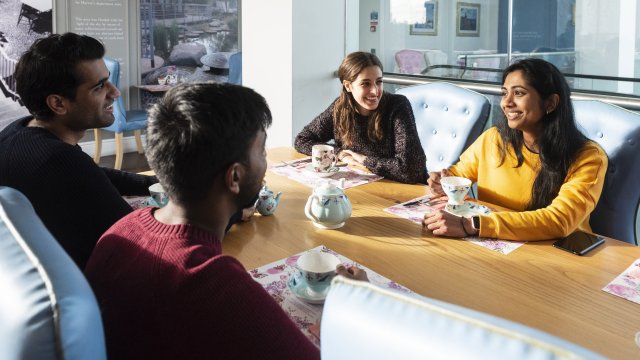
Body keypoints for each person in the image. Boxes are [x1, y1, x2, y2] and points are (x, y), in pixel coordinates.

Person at [85, 82, 367, 359]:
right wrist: (358, 301)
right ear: (234, 177)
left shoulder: (122, 229)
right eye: (262, 151)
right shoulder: (211, 283)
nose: (266, 161)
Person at [0, 33, 156, 268]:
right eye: (99, 87)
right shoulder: (58, 161)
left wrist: (157, 182)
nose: (115, 92)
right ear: (58, 104)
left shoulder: (18, 131)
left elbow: (94, 174)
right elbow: (142, 238)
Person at [423, 58, 607, 241]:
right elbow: (458, 175)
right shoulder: (494, 138)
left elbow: (560, 220)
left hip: (557, 251)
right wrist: (441, 182)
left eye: (519, 93)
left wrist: (472, 224)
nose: (506, 103)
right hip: (495, 243)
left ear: (550, 103)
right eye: (504, 93)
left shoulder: (588, 157)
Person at [294, 51, 426, 184]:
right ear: (348, 86)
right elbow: (302, 140)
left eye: (378, 82)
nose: (375, 91)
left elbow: (412, 170)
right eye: (366, 84)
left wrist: (364, 160)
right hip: (360, 188)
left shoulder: (397, 106)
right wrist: (340, 154)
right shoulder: (339, 108)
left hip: (400, 190)